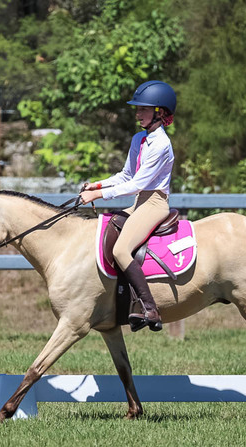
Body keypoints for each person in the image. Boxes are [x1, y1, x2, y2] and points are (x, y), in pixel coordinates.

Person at [80, 80, 176, 332]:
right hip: (139, 202)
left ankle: (150, 308)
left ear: (160, 112)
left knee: (122, 250)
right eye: (138, 109)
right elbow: (125, 176)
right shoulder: (139, 139)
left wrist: (99, 197)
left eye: (143, 109)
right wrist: (97, 186)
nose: (137, 113)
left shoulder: (162, 145)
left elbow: (138, 184)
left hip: (154, 203)